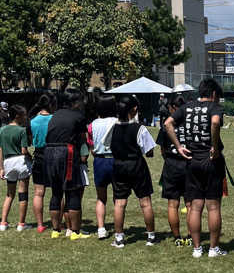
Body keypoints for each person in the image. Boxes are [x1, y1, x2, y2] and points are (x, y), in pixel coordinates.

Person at [165, 77, 227, 258]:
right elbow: (215, 122)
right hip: (210, 161)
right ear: (214, 94)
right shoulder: (215, 107)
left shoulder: (186, 107)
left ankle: (197, 248)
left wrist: (178, 146)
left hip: (191, 160)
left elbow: (168, 123)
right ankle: (214, 249)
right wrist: (214, 146)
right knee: (213, 207)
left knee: (196, 206)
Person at [109, 95, 157, 248]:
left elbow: (106, 144)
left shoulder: (113, 126)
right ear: (134, 109)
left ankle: (119, 238)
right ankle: (151, 236)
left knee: (120, 202)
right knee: (145, 201)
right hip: (136, 165)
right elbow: (149, 151)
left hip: (118, 165)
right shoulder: (139, 128)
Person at [43, 88, 89, 240]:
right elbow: (83, 139)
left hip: (49, 151)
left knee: (56, 191)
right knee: (72, 191)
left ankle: (56, 230)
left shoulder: (55, 114)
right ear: (75, 102)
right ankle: (75, 232)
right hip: (67, 151)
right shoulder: (78, 116)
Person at [158, 95, 191, 247]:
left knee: (173, 204)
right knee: (191, 205)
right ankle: (191, 236)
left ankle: (177, 237)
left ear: (172, 108)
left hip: (171, 164)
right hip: (189, 165)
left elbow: (162, 150)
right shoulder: (191, 125)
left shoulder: (166, 126)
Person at [0, 104, 32, 231]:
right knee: (23, 193)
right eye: (24, 115)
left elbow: (0, 151)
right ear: (17, 116)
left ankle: (3, 222)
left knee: (9, 194)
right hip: (20, 162)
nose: (25, 117)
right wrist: (30, 157)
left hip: (8, 162)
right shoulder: (22, 130)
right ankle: (21, 224)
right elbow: (23, 150)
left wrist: (1, 168)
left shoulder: (2, 130)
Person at [90, 95, 118, 240]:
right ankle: (119, 227)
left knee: (101, 198)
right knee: (118, 197)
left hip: (99, 161)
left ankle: (101, 228)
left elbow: (91, 146)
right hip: (115, 160)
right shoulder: (117, 122)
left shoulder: (92, 124)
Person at [29, 94, 55, 233]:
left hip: (38, 155)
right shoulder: (54, 119)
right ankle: (57, 222)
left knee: (38, 193)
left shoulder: (33, 121)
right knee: (57, 191)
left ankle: (40, 224)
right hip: (53, 154)